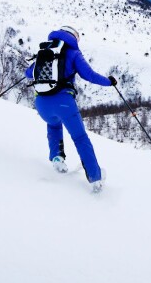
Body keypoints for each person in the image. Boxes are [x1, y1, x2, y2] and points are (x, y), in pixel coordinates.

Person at [25, 26, 116, 192]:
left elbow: (28, 73)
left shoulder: (45, 50)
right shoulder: (73, 53)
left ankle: (57, 158)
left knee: (53, 125)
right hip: (64, 102)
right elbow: (90, 75)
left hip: (41, 103)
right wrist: (109, 82)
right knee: (80, 138)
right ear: (73, 37)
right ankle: (95, 178)